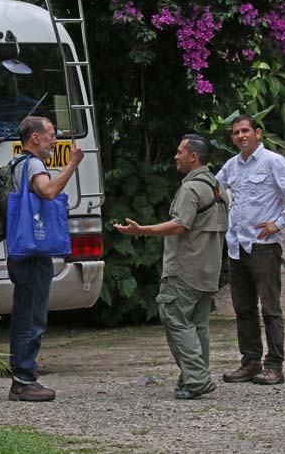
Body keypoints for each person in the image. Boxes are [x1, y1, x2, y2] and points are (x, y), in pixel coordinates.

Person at [115, 135, 228, 400]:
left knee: (175, 319)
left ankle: (197, 378)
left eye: (180, 152)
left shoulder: (190, 189)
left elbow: (180, 225)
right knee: (198, 325)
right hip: (209, 270)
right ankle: (192, 378)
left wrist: (141, 230)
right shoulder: (217, 186)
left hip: (185, 269)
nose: (175, 157)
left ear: (194, 157)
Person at [216, 114, 285, 386]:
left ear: (257, 133)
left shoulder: (272, 162)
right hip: (237, 246)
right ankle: (250, 361)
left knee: (270, 308)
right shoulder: (232, 165)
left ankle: (274, 366)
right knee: (243, 307)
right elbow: (214, 188)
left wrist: (278, 223)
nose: (240, 136)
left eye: (245, 131)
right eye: (235, 132)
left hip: (264, 247)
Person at [7, 115, 84, 402]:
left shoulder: (18, 162)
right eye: (51, 134)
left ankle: (22, 375)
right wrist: (73, 164)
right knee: (32, 315)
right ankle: (24, 380)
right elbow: (48, 191)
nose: (55, 139)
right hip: (33, 250)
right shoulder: (35, 164)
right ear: (35, 138)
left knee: (24, 311)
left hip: (21, 249)